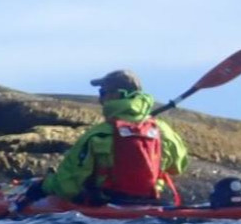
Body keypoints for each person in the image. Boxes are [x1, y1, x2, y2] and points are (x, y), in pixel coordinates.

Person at [17, 69, 189, 210]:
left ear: (118, 95)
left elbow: (67, 186)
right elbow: (178, 166)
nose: (100, 99)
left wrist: (42, 187)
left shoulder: (99, 134)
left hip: (107, 206)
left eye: (103, 93)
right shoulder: (162, 130)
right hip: (150, 204)